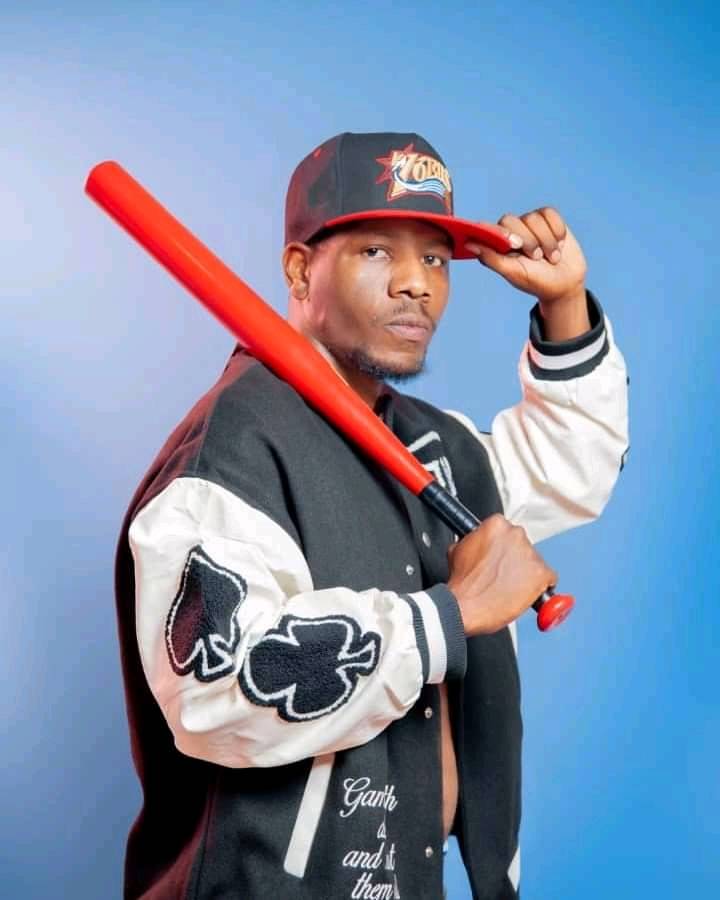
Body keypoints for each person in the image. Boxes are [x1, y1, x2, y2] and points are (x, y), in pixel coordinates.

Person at [114, 131, 629, 899]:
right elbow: (216, 687)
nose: (416, 284)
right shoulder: (233, 447)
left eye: (434, 259)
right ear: (300, 270)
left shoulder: (434, 444)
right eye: (377, 251)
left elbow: (572, 465)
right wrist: (449, 617)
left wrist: (563, 305)